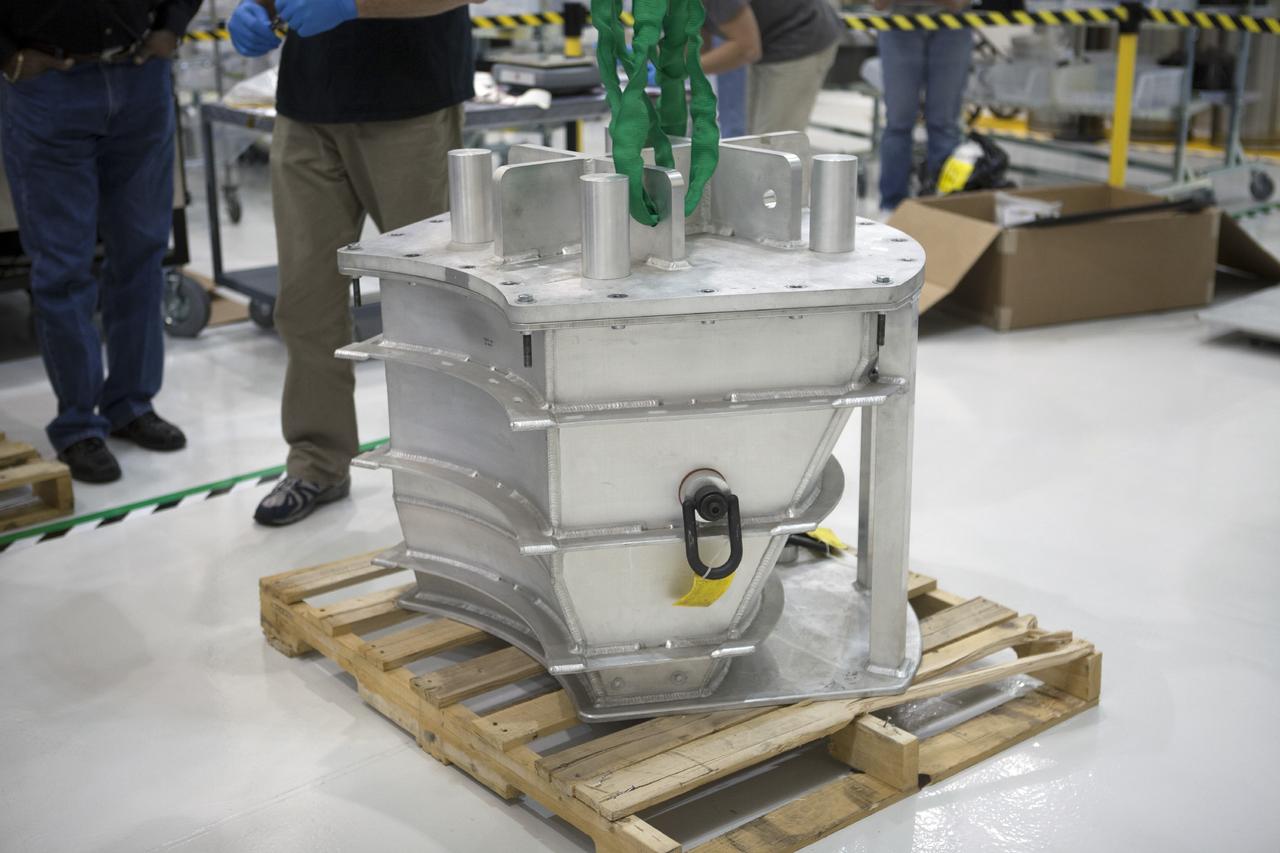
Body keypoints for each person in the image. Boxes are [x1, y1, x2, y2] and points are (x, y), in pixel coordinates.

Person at [227, 0, 478, 526]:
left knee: (432, 307)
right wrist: (261, 8)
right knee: (304, 302)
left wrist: (355, 4)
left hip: (411, 104)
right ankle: (317, 463)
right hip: (306, 106)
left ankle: (454, 466)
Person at [1, 2, 199, 483]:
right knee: (63, 267)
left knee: (141, 252)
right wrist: (6, 55)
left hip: (140, 75)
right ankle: (77, 425)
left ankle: (131, 402)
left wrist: (172, 28)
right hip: (48, 81)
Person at [872, 0, 974, 211]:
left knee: (944, 124)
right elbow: (879, 3)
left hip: (951, 25)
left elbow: (958, 2)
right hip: (898, 25)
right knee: (898, 123)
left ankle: (944, 205)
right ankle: (892, 206)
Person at [700, 0, 842, 136]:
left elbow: (747, 49)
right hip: (768, 40)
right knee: (753, 140)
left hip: (800, 35)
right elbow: (698, 43)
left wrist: (685, 70)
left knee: (774, 143)